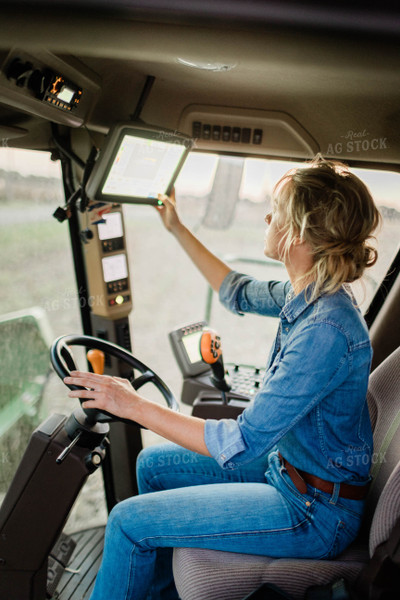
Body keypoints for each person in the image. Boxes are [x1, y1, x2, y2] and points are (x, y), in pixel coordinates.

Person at [65, 156, 381, 600]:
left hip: (315, 511)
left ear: (299, 234)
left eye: (277, 211)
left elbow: (241, 444)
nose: (268, 218)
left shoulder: (326, 331)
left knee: (127, 522)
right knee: (152, 466)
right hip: (288, 472)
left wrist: (131, 405)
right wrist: (175, 226)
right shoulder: (307, 295)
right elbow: (234, 289)